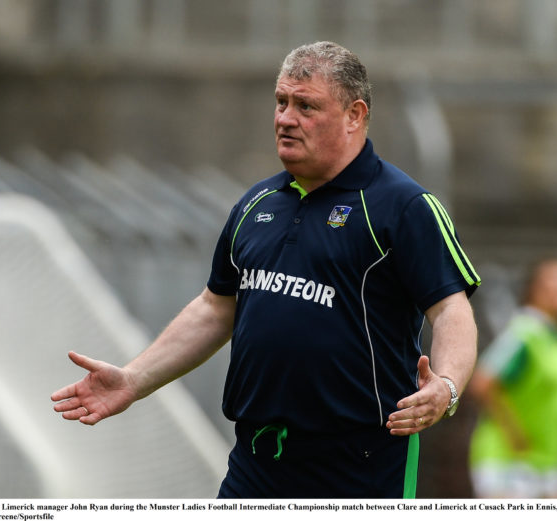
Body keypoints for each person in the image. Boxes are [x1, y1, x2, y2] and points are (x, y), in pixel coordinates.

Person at [51, 41, 481, 498]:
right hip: (256, 461)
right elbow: (215, 309)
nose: (285, 119)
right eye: (281, 102)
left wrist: (448, 385)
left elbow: (451, 310)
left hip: (360, 465)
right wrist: (134, 379)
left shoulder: (403, 206)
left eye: (306, 106)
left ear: (354, 115)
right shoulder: (257, 204)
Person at [468, 258, 557, 498]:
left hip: (550, 460)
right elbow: (482, 383)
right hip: (510, 463)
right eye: (555, 281)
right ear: (535, 289)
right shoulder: (524, 333)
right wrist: (514, 433)